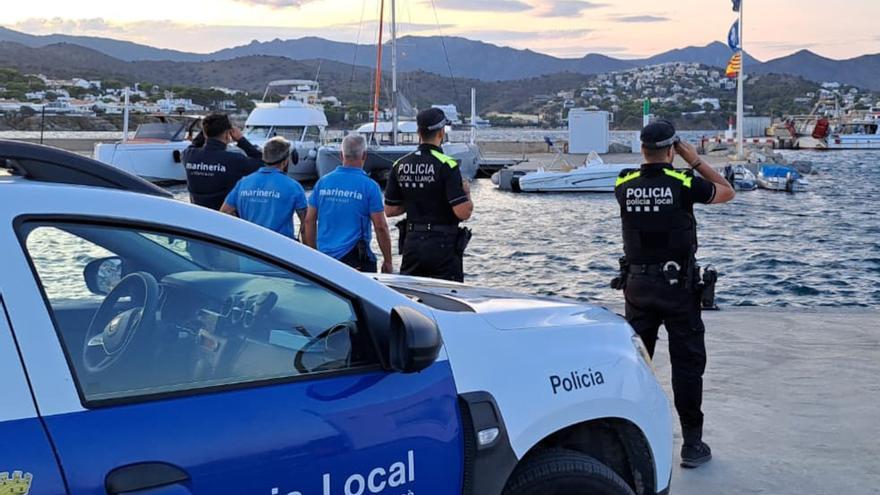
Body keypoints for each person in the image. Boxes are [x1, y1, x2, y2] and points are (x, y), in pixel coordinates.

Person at [613, 120, 735, 469]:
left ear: (641, 149)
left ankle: (629, 442)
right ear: (671, 150)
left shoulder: (623, 183)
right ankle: (692, 445)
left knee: (636, 364)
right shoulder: (683, 182)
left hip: (637, 287)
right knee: (687, 365)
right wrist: (693, 159)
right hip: (677, 288)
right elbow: (726, 190)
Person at [384, 108, 473, 282]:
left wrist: (415, 199)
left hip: (412, 243)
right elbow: (463, 212)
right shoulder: (447, 165)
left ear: (418, 132)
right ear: (441, 133)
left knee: (412, 297)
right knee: (448, 298)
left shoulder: (400, 164)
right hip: (443, 245)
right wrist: (467, 193)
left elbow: (390, 210)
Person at [304, 134, 393, 273]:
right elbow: (380, 226)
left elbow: (309, 221)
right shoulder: (369, 186)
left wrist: (313, 254)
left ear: (341, 155)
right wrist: (388, 261)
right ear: (364, 155)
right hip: (354, 258)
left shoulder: (323, 183)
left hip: (324, 257)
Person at [221, 137, 307, 240]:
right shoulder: (293, 187)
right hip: (281, 248)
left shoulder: (243, 183)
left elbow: (224, 213)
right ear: (285, 161)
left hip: (250, 247)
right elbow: (306, 223)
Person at [183, 113, 264, 210]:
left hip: (197, 215)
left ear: (204, 133)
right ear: (227, 134)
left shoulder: (188, 155)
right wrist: (241, 140)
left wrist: (206, 132)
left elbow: (194, 144)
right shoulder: (234, 160)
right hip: (224, 217)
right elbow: (262, 162)